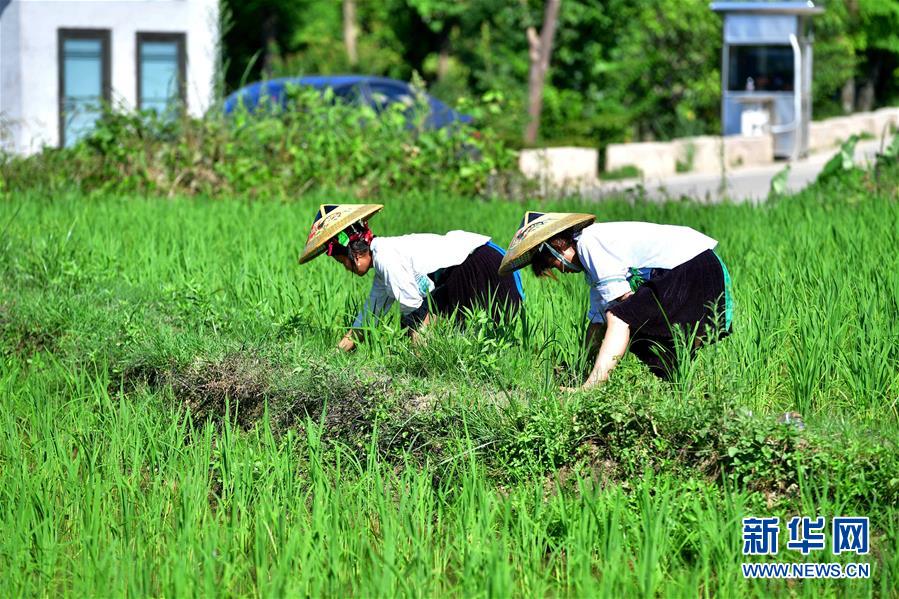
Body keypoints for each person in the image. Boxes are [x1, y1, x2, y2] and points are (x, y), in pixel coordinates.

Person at [498, 211, 733, 386]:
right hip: (700, 267)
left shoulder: (590, 244)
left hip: (692, 267)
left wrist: (589, 383)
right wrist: (580, 366)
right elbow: (598, 322)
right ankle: (681, 388)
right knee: (638, 328)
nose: (561, 270)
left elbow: (617, 313)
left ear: (557, 247)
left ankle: (591, 389)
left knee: (622, 318)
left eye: (554, 263)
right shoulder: (590, 257)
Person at [299, 204, 524, 351]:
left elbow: (416, 314)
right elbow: (370, 315)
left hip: (479, 265)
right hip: (471, 264)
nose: (346, 268)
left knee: (419, 322)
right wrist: (337, 353)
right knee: (457, 331)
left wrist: (419, 361)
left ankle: (430, 377)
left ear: (354, 254)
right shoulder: (383, 259)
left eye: (342, 262)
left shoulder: (387, 258)